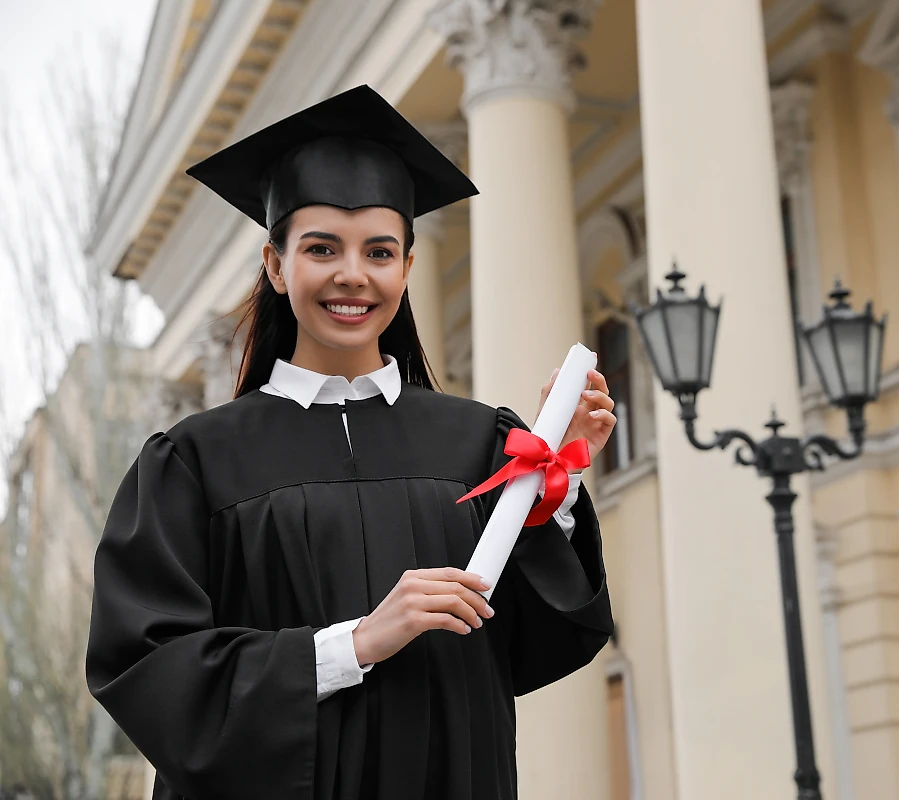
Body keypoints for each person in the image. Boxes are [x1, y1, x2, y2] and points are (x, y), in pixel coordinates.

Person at [85, 85, 616, 800]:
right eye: (322, 248)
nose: (353, 275)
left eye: (380, 251)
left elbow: (534, 638)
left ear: (406, 268)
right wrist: (353, 644)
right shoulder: (195, 462)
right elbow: (150, 670)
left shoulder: (480, 441)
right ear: (276, 266)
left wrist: (556, 482)